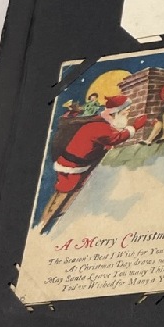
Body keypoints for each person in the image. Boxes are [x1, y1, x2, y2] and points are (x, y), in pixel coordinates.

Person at [37, 95, 146, 231]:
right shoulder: (102, 127)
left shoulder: (103, 122)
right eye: (126, 111)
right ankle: (44, 224)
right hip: (73, 166)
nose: (128, 114)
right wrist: (134, 127)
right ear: (116, 112)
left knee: (68, 192)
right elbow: (115, 138)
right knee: (62, 194)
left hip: (75, 163)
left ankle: (55, 218)